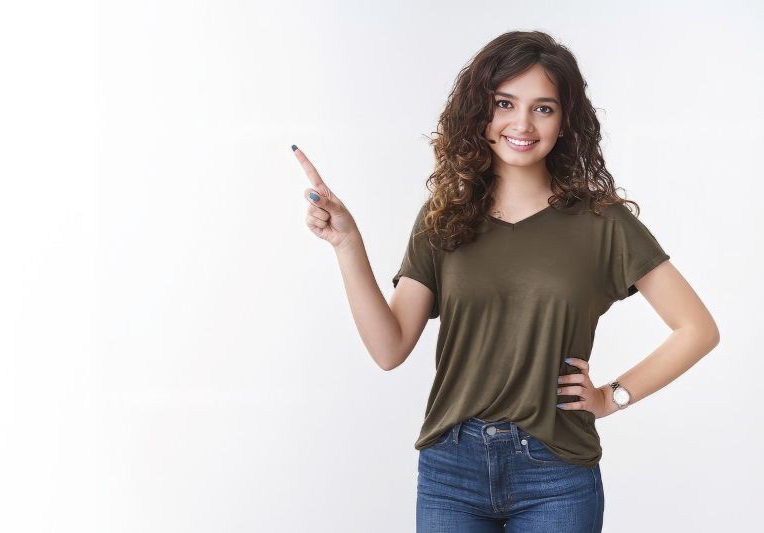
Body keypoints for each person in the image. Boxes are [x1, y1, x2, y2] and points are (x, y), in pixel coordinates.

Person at [292, 30, 719, 533]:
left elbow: (697, 329)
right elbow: (389, 349)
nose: (522, 123)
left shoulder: (602, 224)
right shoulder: (444, 220)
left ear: (565, 121)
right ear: (481, 113)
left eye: (543, 108)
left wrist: (610, 396)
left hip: (555, 473)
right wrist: (347, 244)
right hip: (451, 472)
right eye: (504, 103)